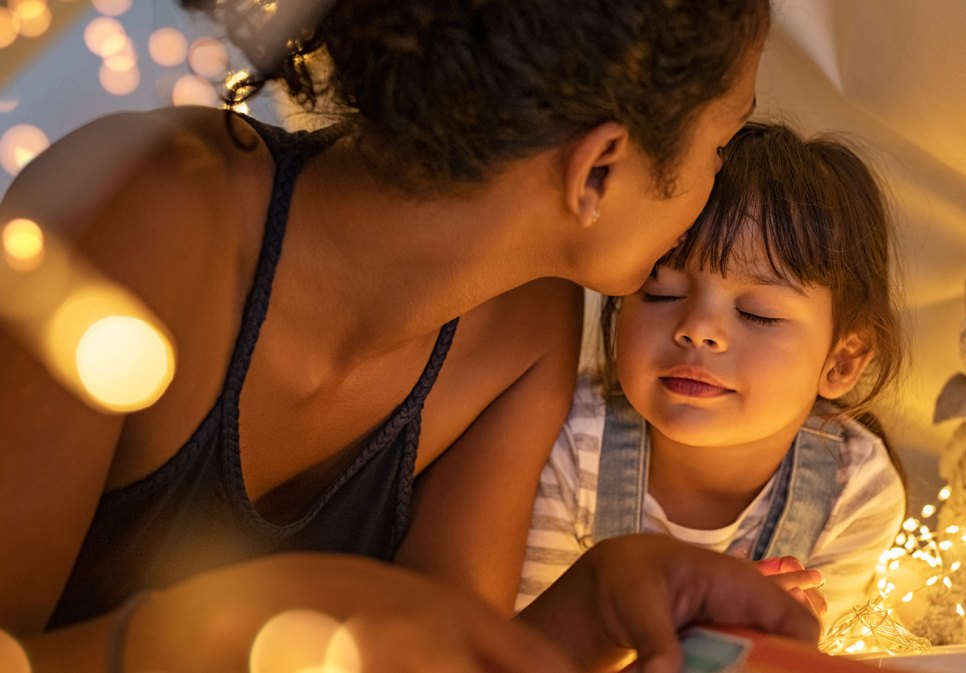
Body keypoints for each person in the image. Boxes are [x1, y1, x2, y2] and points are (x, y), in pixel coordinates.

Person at [0, 2, 825, 672]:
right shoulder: (144, 212)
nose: (716, 179)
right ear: (600, 168)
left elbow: (438, 658)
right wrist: (197, 637)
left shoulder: (528, 328)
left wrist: (602, 598)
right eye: (721, 144)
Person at [519, 122, 908, 630]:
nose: (699, 330)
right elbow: (522, 650)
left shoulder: (855, 487)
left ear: (842, 361)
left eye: (757, 312)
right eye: (662, 293)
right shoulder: (568, 441)